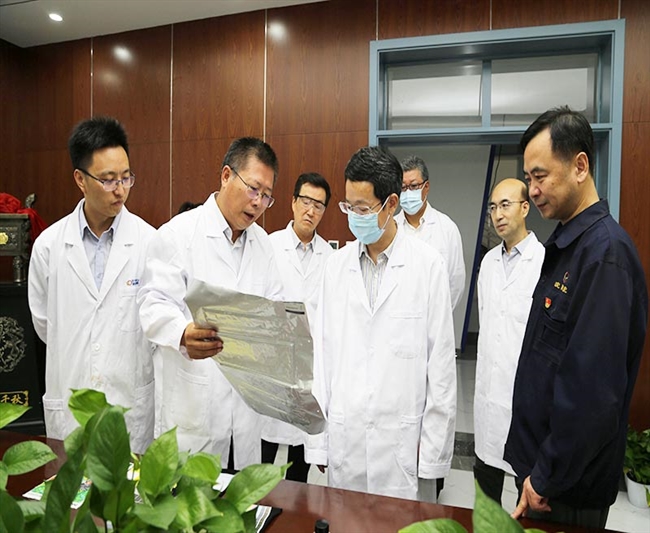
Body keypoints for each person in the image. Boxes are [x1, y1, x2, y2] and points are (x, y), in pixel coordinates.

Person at [504, 107, 648, 528]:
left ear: (580, 166)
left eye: (540, 176)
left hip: (564, 488)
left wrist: (546, 476)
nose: (532, 190)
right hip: (544, 475)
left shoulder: (604, 255)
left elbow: (593, 393)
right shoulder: (570, 245)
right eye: (528, 178)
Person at [305, 146, 457, 502]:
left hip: (400, 444)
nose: (353, 217)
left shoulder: (427, 266)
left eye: (363, 209)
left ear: (391, 204)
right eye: (348, 207)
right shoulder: (334, 267)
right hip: (346, 437)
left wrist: (432, 453)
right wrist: (318, 443)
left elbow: (441, 369)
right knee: (345, 520)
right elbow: (321, 358)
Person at [137, 137, 283, 469]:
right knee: (188, 497)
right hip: (193, 409)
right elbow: (152, 303)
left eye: (266, 196)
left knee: (239, 496)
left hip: (243, 414)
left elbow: (273, 306)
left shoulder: (263, 245)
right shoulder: (178, 234)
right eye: (253, 189)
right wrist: (181, 332)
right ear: (226, 176)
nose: (258, 203)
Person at [28, 116, 155, 453]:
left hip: (129, 409)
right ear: (80, 180)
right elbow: (45, 325)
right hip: (71, 407)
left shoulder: (150, 243)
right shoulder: (49, 246)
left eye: (126, 177)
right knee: (70, 483)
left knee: (126, 486)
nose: (120, 189)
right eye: (108, 179)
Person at [473, 178, 545, 505]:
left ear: (525, 207)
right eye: (493, 207)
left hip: (525, 400)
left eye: (506, 205)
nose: (498, 214)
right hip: (489, 395)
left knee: (525, 497)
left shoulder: (544, 262)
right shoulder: (488, 263)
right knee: (486, 495)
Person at [261, 172, 334, 482]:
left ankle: (293, 507)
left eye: (318, 205)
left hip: (308, 367)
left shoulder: (331, 258)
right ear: (292, 202)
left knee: (300, 457)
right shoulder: (268, 245)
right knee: (263, 451)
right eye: (305, 201)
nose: (310, 210)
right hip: (272, 363)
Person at [395, 155, 466, 310]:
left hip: (435, 317)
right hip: (397, 317)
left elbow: (456, 282)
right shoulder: (390, 228)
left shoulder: (447, 228)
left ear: (426, 187)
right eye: (403, 187)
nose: (408, 192)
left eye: (414, 186)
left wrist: (438, 314)